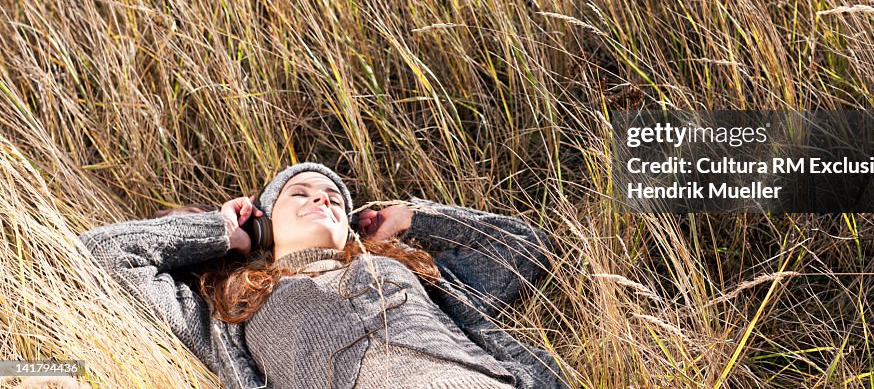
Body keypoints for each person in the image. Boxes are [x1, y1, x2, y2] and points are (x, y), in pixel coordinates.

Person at [77, 162, 568, 389]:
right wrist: (222, 232)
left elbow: (525, 249)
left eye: (334, 198)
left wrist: (413, 218)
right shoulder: (232, 307)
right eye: (300, 193)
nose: (322, 199)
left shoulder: (407, 269)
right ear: (265, 222)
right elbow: (102, 253)